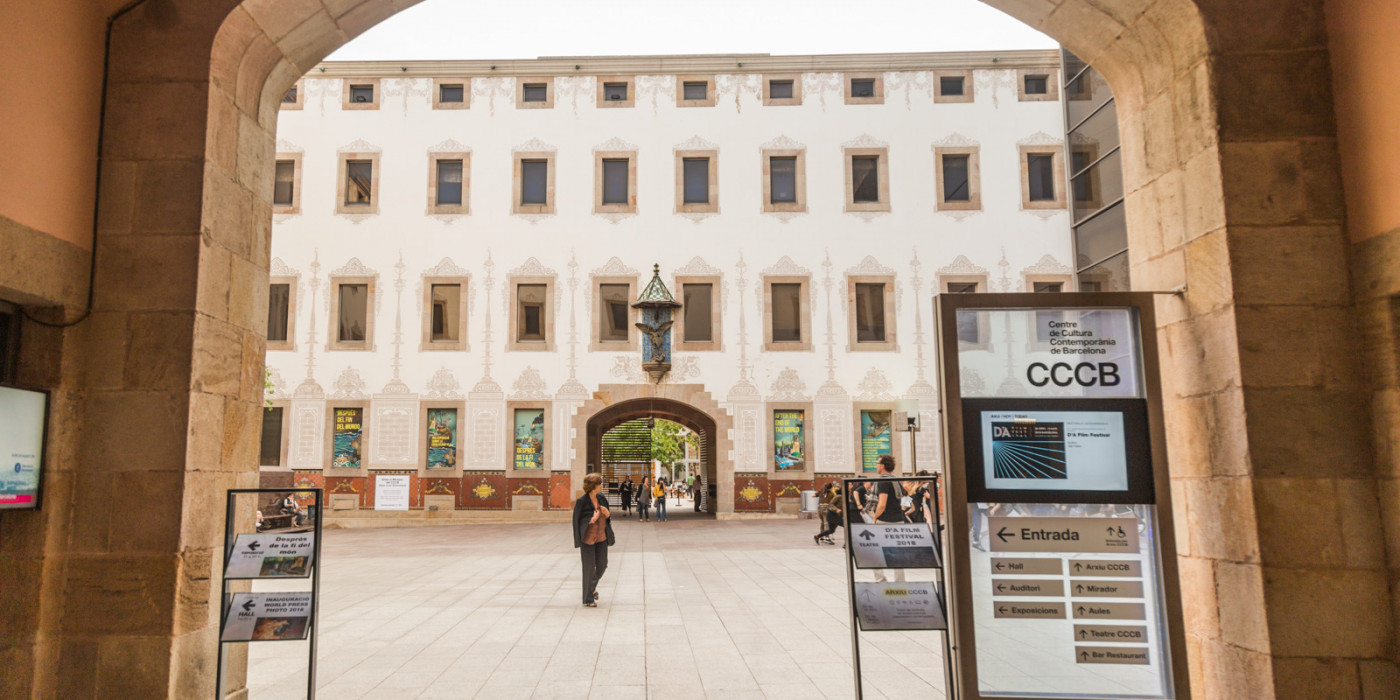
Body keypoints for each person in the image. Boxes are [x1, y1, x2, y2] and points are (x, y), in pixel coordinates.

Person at [572, 473, 615, 607]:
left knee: (602, 564)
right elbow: (576, 521)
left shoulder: (602, 498)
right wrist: (592, 520)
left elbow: (607, 516)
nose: (601, 486)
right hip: (587, 539)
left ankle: (591, 587)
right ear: (593, 486)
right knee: (589, 568)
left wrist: (607, 515)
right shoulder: (582, 501)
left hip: (601, 537)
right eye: (600, 484)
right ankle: (589, 599)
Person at [870, 454, 906, 582]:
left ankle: (880, 579)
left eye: (877, 463)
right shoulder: (895, 480)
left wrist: (875, 517)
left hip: (885, 520)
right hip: (898, 519)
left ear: (883, 465)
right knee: (898, 553)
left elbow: (882, 503)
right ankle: (900, 581)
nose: (876, 466)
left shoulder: (883, 481)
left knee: (874, 550)